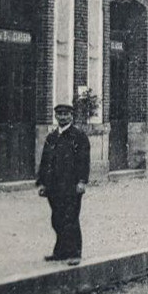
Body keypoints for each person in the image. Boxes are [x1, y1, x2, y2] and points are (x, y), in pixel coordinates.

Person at [36, 103, 91, 264]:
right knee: (57, 219)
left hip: (71, 186)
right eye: (59, 114)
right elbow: (45, 162)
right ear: (55, 116)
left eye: (66, 114)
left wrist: (82, 181)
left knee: (71, 218)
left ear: (71, 116)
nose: (62, 117)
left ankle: (75, 253)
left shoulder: (78, 136)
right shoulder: (52, 137)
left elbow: (83, 161)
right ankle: (60, 251)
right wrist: (43, 184)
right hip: (54, 186)